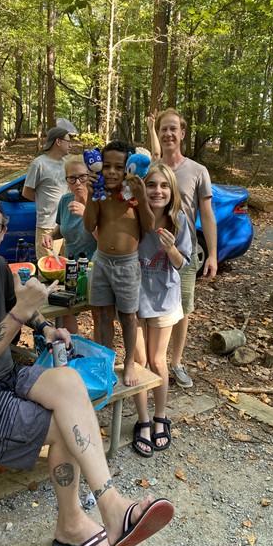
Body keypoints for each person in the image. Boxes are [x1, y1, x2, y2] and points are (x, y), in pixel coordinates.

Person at [0, 192, 174, 546]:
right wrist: (21, 311)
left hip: (1, 378)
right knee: (66, 425)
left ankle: (104, 509)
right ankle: (80, 522)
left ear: (2, 232)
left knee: (69, 384)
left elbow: (22, 309)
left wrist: (44, 326)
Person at [145, 108, 219, 388]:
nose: (168, 134)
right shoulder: (150, 169)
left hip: (182, 253)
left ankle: (175, 362)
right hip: (149, 252)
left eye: (173, 128)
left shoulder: (197, 171)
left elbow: (207, 214)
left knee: (182, 308)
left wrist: (212, 253)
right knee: (149, 308)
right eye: (163, 128)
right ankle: (153, 362)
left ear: (182, 133)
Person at [130, 163, 190, 457]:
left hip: (165, 297)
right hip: (134, 298)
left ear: (172, 191)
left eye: (164, 186)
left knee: (157, 360)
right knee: (139, 360)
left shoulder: (178, 220)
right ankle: (142, 420)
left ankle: (160, 417)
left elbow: (184, 263)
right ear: (144, 187)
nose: (157, 191)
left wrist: (171, 250)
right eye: (151, 184)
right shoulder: (135, 216)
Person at [83, 140, 155, 387]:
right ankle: (106, 362)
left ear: (129, 168)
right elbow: (89, 225)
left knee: (127, 316)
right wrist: (91, 197)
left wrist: (142, 197)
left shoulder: (131, 197)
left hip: (127, 265)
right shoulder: (101, 195)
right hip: (102, 261)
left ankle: (129, 362)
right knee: (103, 315)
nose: (112, 172)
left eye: (119, 167)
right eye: (107, 166)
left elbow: (149, 226)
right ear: (100, 167)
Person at [41, 154, 101, 341]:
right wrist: (51, 235)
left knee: (98, 314)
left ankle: (99, 353)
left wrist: (86, 215)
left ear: (90, 177)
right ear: (66, 181)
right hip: (70, 268)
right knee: (66, 310)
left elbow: (106, 241)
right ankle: (73, 347)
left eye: (82, 177)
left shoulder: (100, 202)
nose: (77, 182)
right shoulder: (65, 201)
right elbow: (62, 228)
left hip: (94, 270)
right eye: (72, 178)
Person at [22, 126, 72, 259]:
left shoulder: (67, 164)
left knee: (70, 267)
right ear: (58, 141)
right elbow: (26, 192)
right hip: (47, 226)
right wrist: (44, 202)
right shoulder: (39, 164)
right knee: (49, 268)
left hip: (67, 224)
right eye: (68, 141)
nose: (70, 145)